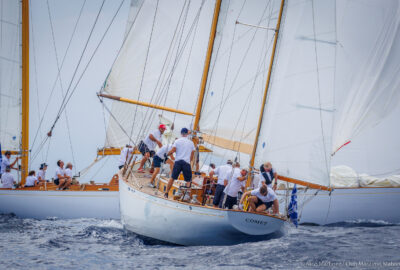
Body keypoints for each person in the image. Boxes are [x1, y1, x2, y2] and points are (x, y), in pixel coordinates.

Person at [164, 128, 195, 198]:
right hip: (186, 163)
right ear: (187, 134)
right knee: (188, 180)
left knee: (172, 178)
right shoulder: (191, 143)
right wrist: (189, 162)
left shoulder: (177, 141)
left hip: (178, 162)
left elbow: (173, 150)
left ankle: (166, 193)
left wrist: (167, 154)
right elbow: (192, 155)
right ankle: (186, 195)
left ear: (181, 134)